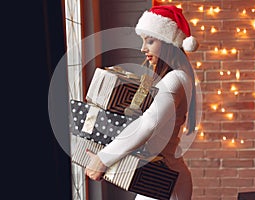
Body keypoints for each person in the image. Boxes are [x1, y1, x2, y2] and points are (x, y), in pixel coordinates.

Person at [85, 5, 200, 200]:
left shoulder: (175, 79)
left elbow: (149, 123)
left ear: (167, 42)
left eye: (150, 41)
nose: (142, 48)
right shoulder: (173, 78)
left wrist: (103, 159)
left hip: (166, 181)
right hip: (161, 178)